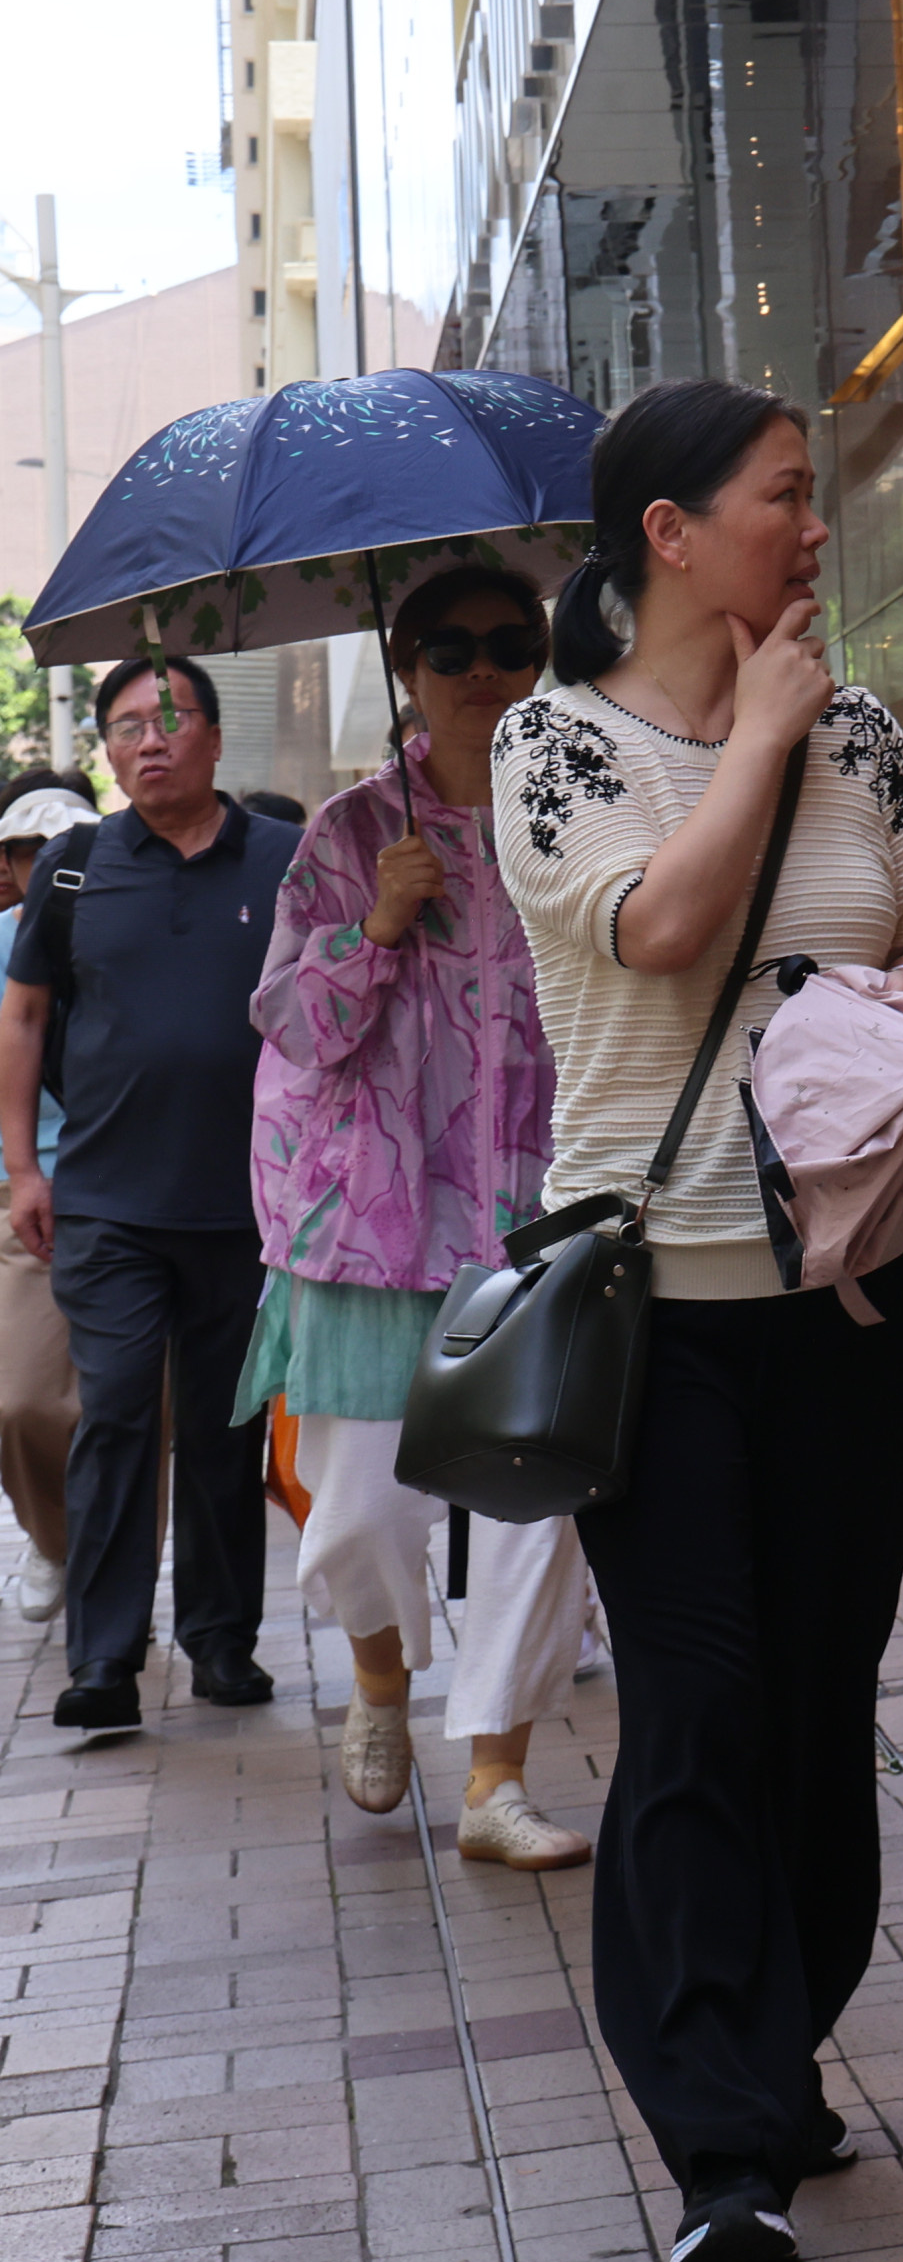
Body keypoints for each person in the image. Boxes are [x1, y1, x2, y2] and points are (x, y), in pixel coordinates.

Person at [491, 381, 903, 2262]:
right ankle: (720, 2150)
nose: (813, 524)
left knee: (819, 1695)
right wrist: (760, 738)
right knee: (698, 1700)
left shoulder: (868, 731)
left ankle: (780, 2027)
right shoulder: (554, 743)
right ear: (668, 532)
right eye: (782, 496)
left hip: (854, 1288)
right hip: (655, 1304)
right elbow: (666, 929)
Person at [238, 567, 594, 1867]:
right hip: (372, 1221)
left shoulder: (575, 810)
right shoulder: (345, 832)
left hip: (538, 1213)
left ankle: (498, 1774)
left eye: (512, 643)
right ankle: (381, 1674)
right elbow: (292, 1023)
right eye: (453, 646)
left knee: (532, 1511)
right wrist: (376, 921)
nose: (483, 668)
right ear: (408, 660)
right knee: (363, 1516)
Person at [1, 656, 298, 1732]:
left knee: (227, 1425)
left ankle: (223, 1642)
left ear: (216, 737)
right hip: (109, 1204)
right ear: (107, 749)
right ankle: (105, 1657)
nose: (150, 738)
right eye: (126, 724)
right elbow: (24, 1015)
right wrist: (25, 1168)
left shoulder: (287, 858)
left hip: (249, 1203)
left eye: (170, 717)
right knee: (117, 1413)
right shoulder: (74, 868)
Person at [0, 777, 96, 1626]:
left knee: (130, 1404)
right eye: (32, 849)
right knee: (21, 1398)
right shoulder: (0, 942)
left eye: (67, 843)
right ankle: (54, 1534)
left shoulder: (125, 923)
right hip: (17, 1194)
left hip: (124, 1191)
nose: (51, 862)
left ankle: (112, 1579)